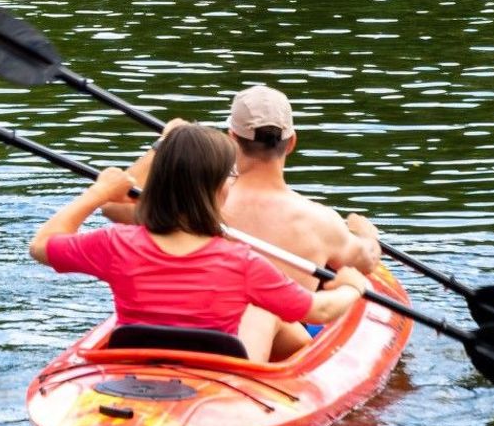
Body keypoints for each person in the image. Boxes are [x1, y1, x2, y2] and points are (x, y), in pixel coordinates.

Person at [30, 122, 369, 362]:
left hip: (138, 367)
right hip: (217, 377)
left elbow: (42, 245)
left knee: (263, 312)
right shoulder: (241, 261)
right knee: (264, 311)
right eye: (229, 177)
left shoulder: (117, 243)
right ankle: (297, 375)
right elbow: (319, 310)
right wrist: (352, 287)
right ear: (216, 188)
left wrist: (99, 193)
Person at [105, 85, 380, 294]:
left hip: (206, 330)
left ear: (231, 139)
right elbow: (367, 263)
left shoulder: (197, 199)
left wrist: (165, 143)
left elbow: (113, 206)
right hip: (276, 346)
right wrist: (365, 233)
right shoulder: (323, 222)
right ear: (292, 142)